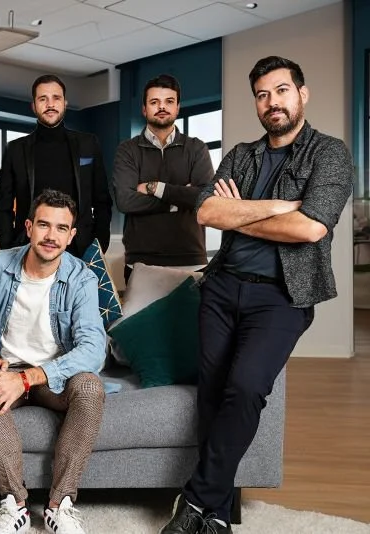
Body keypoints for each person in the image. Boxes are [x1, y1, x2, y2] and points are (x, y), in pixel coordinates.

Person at [159, 56, 354, 534]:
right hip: (223, 287)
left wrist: (239, 210)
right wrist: (273, 207)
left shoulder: (329, 154)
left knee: (246, 387)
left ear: (301, 94)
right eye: (263, 95)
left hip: (283, 296)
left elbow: (310, 227)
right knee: (213, 396)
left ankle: (195, 502)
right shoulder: (241, 154)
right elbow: (207, 214)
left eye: (282, 91)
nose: (273, 103)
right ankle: (220, 515)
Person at [0, 189, 106, 534]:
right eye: (43, 225)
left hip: (52, 378)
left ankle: (60, 504)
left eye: (61, 228)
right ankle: (15, 506)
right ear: (28, 227)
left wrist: (29, 378)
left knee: (89, 385)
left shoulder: (82, 278)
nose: (51, 236)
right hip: (6, 366)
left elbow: (94, 349)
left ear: (71, 236)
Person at [0, 74, 112, 258]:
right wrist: (10, 247)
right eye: (43, 99)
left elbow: (102, 200)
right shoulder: (15, 150)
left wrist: (100, 244)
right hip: (29, 248)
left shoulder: (88, 144)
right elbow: (3, 207)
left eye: (56, 98)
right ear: (33, 106)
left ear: (65, 103)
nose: (50, 104)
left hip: (81, 248)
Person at [112, 74, 214, 283]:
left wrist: (156, 188)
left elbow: (204, 197)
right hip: (141, 262)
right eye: (154, 102)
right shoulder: (128, 150)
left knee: (191, 318)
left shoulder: (196, 148)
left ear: (177, 108)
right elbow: (125, 200)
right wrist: (177, 202)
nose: (162, 107)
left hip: (191, 259)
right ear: (144, 108)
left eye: (169, 101)